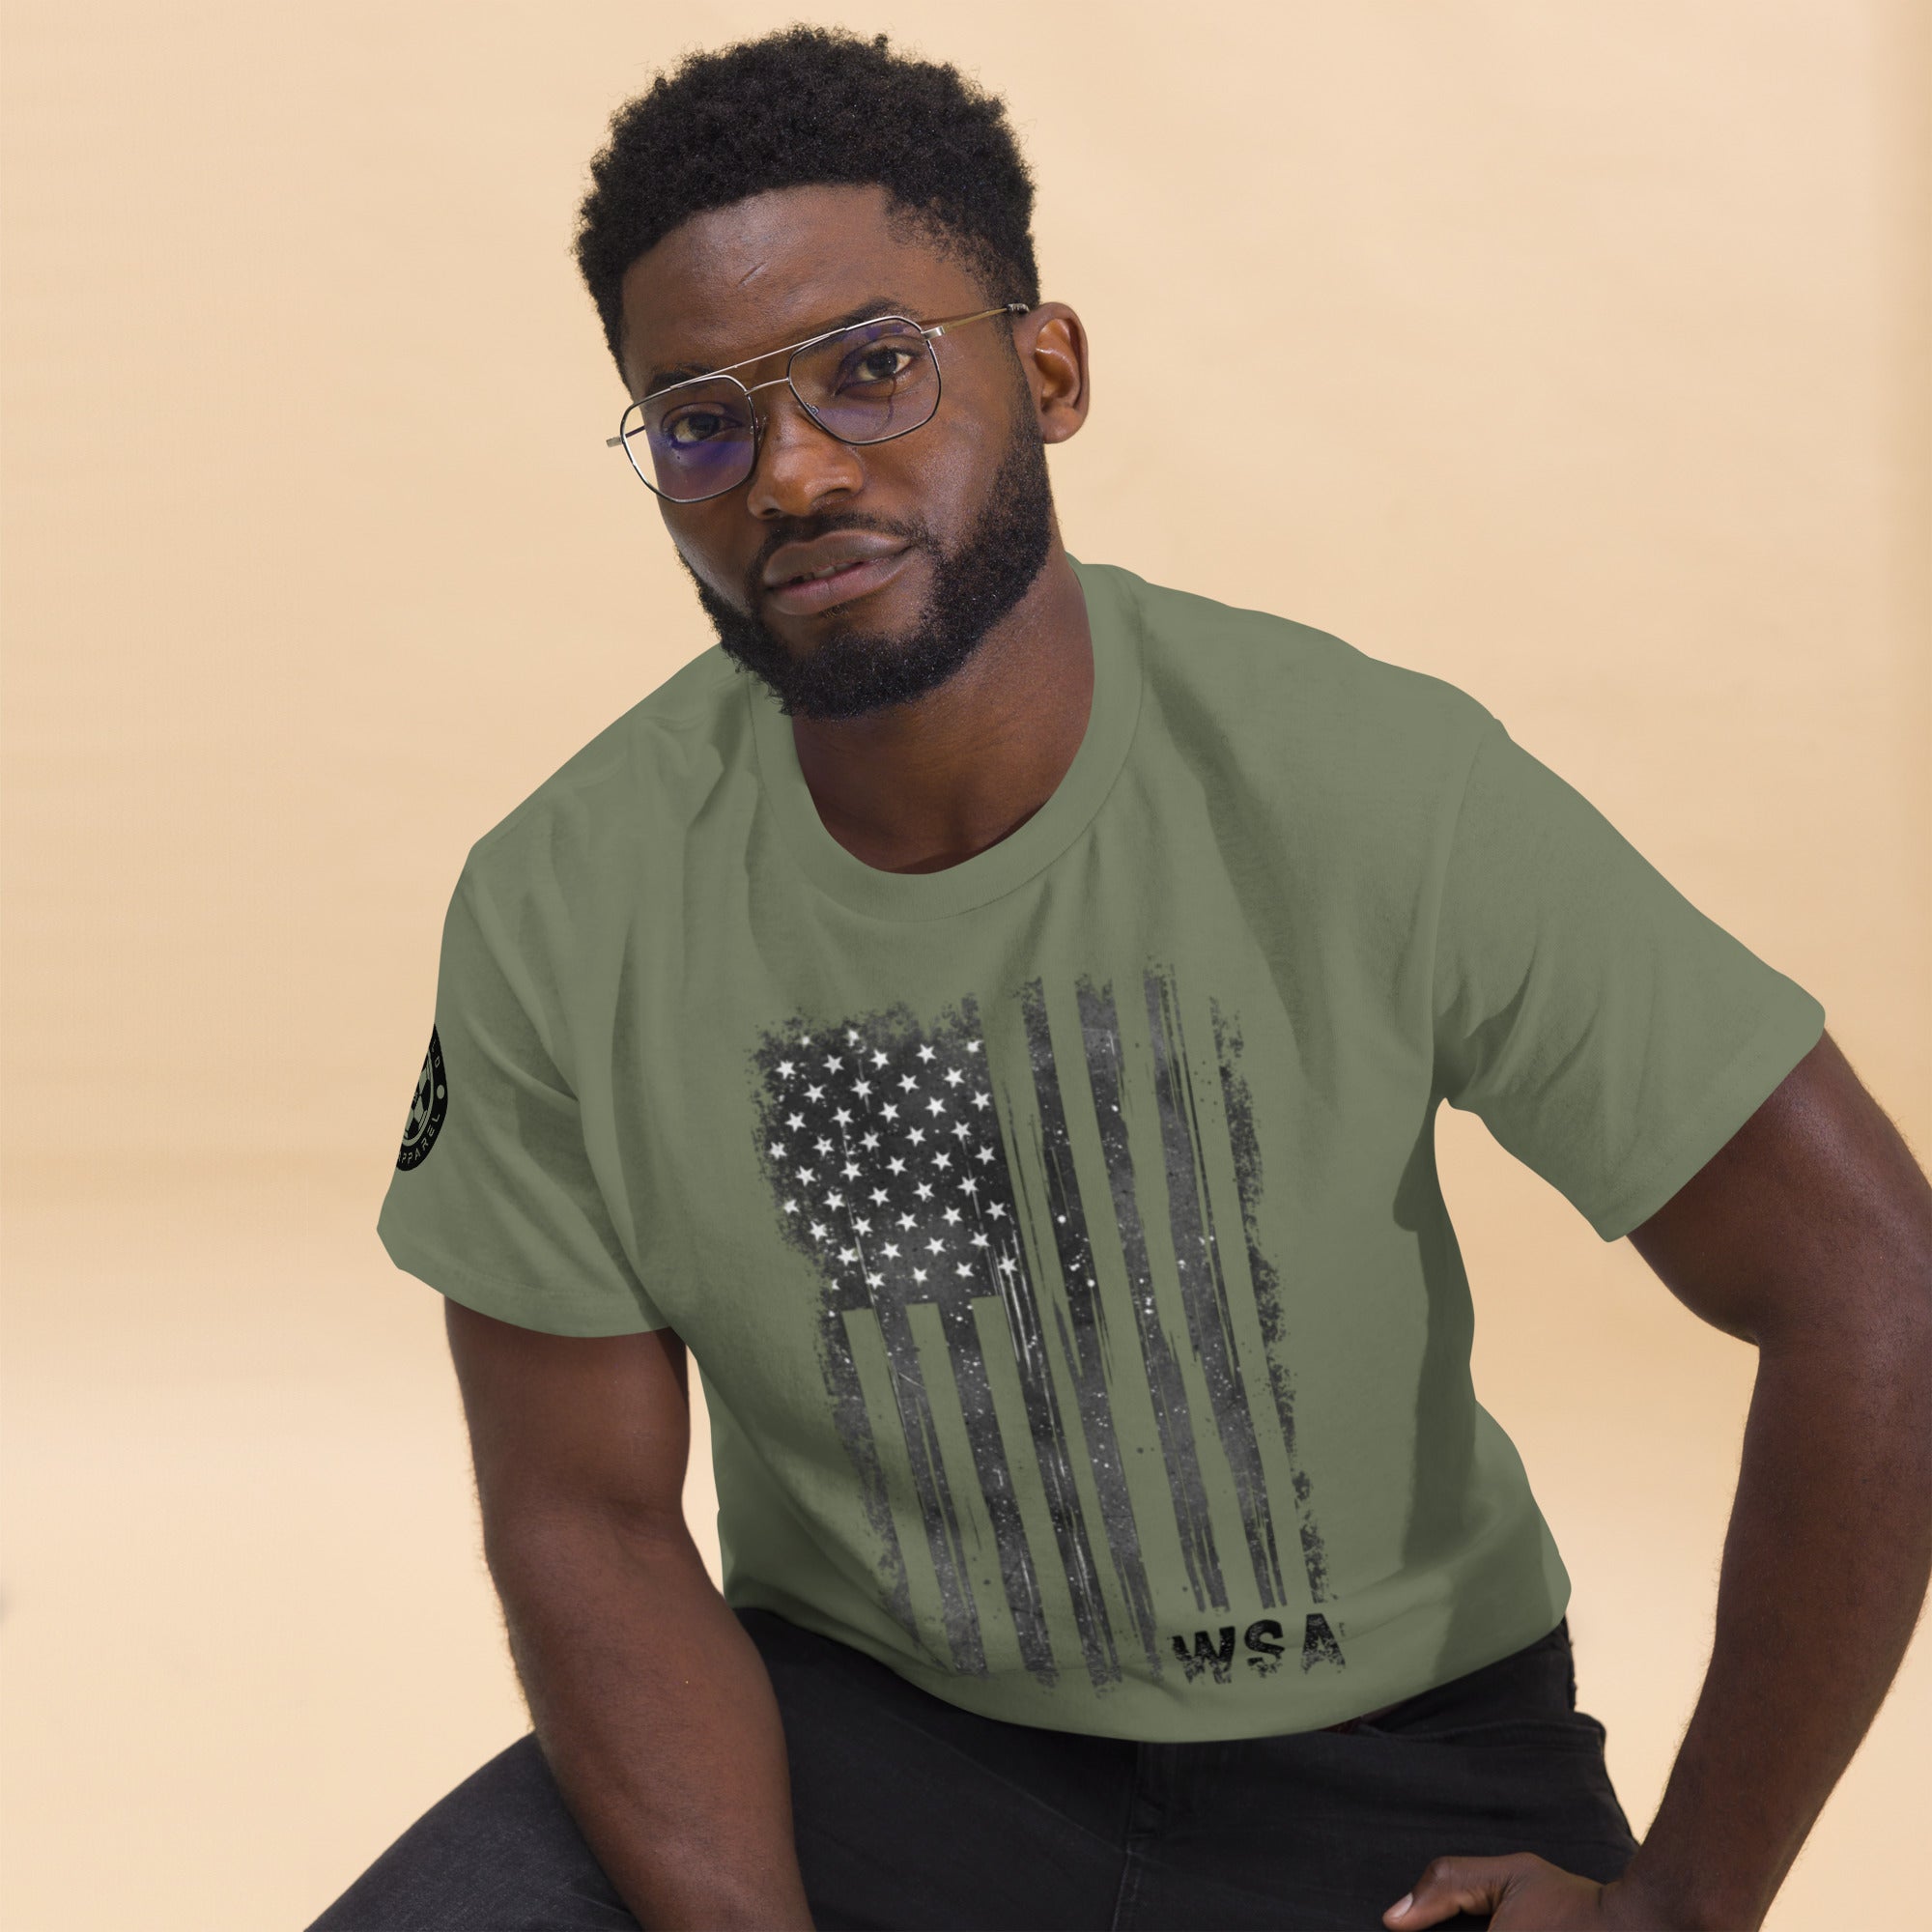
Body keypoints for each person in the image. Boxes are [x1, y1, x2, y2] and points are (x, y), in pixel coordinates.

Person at [310, 26, 1932, 1932]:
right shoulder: (562, 901)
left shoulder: (1367, 780)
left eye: (872, 367)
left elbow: (1873, 1281)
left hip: (1386, 1773)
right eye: (700, 424)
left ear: (1050, 371)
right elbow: (584, 1512)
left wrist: (1686, 1904)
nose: (793, 472)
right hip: (863, 1746)